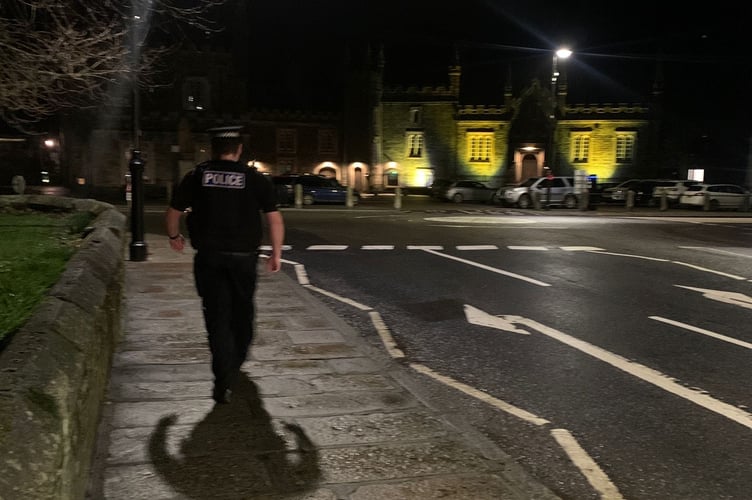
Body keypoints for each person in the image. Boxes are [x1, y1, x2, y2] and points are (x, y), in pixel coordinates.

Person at [165, 125, 284, 404]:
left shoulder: (197, 176)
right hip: (244, 259)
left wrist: (174, 236)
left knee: (216, 316)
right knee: (242, 313)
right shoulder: (254, 178)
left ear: (213, 149)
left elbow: (173, 213)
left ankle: (222, 377)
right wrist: (275, 254)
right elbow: (274, 219)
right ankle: (236, 362)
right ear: (239, 150)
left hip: (209, 258)